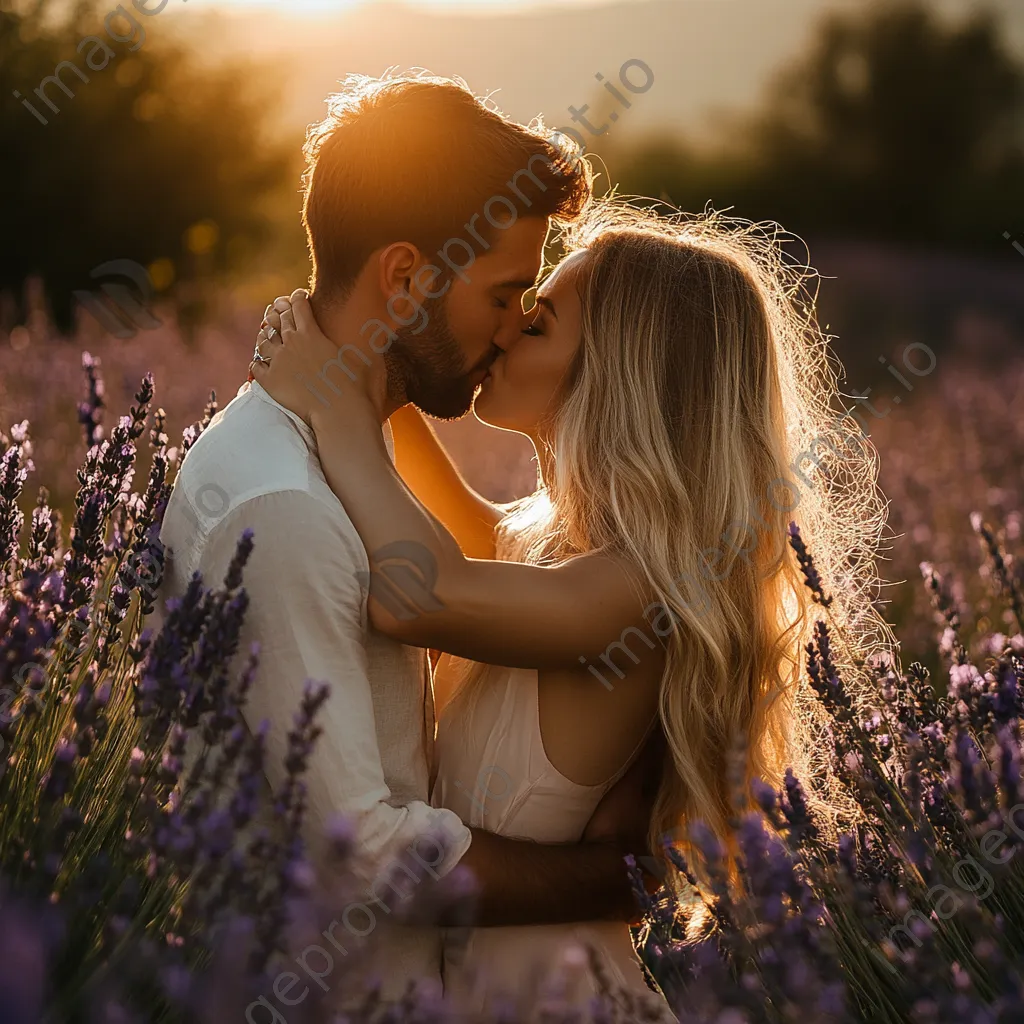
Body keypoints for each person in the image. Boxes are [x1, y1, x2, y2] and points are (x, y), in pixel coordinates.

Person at [250, 199, 888, 1012]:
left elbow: (424, 591)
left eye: (540, 323)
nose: (507, 330)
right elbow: (459, 531)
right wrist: (374, 354)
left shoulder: (644, 589)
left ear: (623, 377)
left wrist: (336, 407)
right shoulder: (551, 550)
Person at [155, 74, 659, 1011]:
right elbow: (364, 857)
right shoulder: (291, 505)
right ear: (404, 276)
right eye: (507, 294)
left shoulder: (337, 461)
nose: (514, 329)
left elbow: (474, 565)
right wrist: (611, 879)